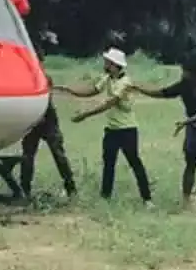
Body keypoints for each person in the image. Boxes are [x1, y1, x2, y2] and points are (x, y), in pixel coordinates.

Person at [134, 55, 196, 211]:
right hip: (193, 127)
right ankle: (186, 200)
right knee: (191, 163)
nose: (182, 74)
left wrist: (185, 123)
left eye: (184, 71)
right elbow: (163, 93)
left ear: (192, 73)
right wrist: (140, 89)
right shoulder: (184, 86)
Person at [54, 47, 153, 206]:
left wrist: (85, 115)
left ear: (114, 65)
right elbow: (92, 90)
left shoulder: (125, 82)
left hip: (127, 129)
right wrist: (69, 90)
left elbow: (109, 103)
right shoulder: (107, 78)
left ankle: (147, 199)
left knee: (134, 162)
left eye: (107, 62)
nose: (105, 64)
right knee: (108, 163)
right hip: (112, 129)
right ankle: (105, 197)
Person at [19, 39, 77, 200]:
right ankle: (25, 188)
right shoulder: (36, 77)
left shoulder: (42, 78)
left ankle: (69, 187)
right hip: (38, 120)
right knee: (30, 156)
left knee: (53, 154)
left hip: (45, 120)